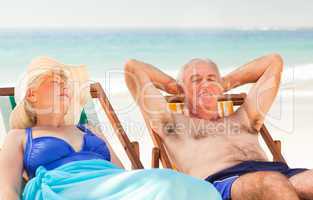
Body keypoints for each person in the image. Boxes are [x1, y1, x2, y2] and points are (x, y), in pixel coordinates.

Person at [0, 57, 221, 200]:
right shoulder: (19, 136)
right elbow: (7, 189)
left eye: (66, 83)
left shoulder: (89, 130)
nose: (65, 86)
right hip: (64, 189)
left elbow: (123, 175)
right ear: (32, 94)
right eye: (55, 82)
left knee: (194, 188)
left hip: (111, 186)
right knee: (166, 186)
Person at [125, 54, 313, 200]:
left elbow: (274, 62)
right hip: (223, 183)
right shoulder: (173, 125)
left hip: (279, 173)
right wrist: (173, 87)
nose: (206, 84)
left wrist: (226, 81)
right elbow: (132, 68)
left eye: (211, 78)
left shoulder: (244, 118)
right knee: (271, 183)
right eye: (196, 80)